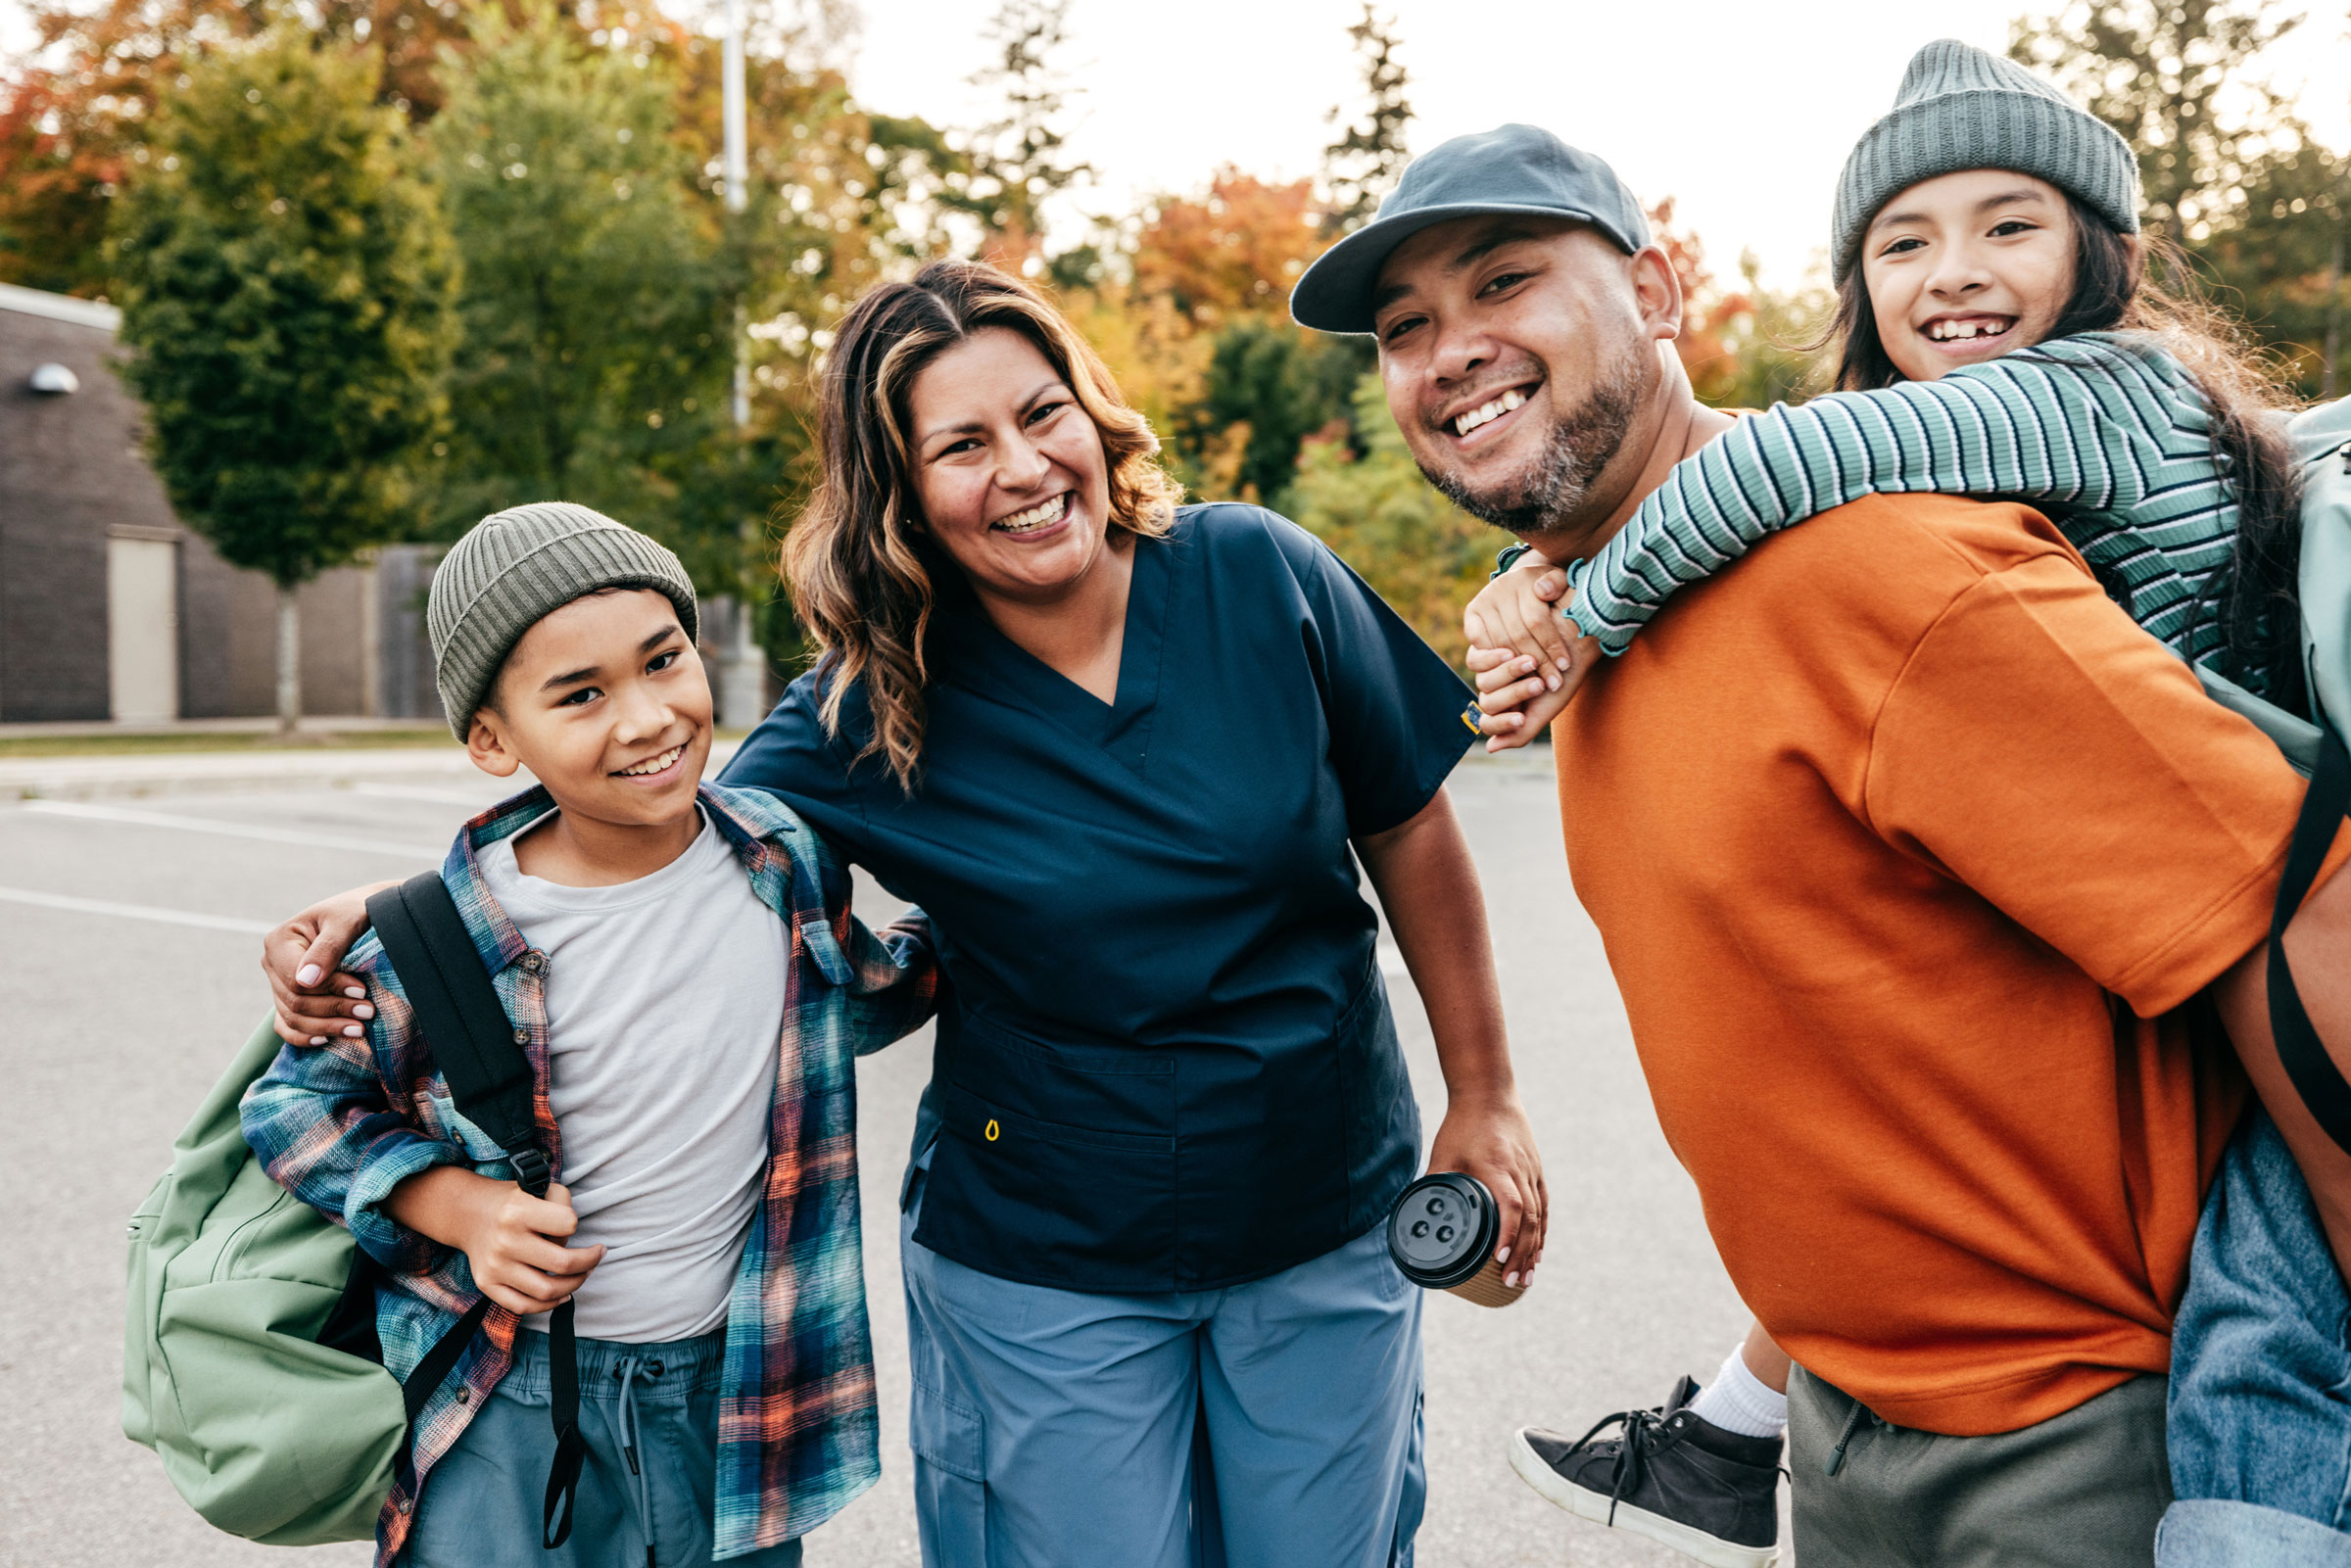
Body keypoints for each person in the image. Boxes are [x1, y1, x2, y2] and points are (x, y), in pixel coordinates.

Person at [257, 262, 1546, 1568]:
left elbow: (1407, 819)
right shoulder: (871, 702)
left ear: (1093, 413)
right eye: (962, 445)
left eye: (1042, 413)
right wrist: (414, 906)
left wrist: (1484, 1091)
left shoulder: (1258, 572)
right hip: (1045, 1258)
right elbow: (663, 823)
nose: (1025, 467)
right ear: (901, 492)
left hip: (1322, 1212)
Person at [1288, 99, 2351, 1568]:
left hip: (2071, 1446)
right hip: (1846, 1439)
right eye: (1405, 326)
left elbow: (2298, 903)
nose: (1450, 348)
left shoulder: (1879, 571)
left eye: (1504, 281)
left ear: (1655, 292)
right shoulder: (1590, 624)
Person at [239, 502, 938, 1568]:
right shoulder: (441, 938)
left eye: (664, 660)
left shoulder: (782, 860)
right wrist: (457, 1205)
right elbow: (292, 1108)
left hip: (740, 1387)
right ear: (493, 739)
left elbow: (864, 992)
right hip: (505, 1397)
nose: (648, 717)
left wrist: (1001, 920)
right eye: (581, 694)